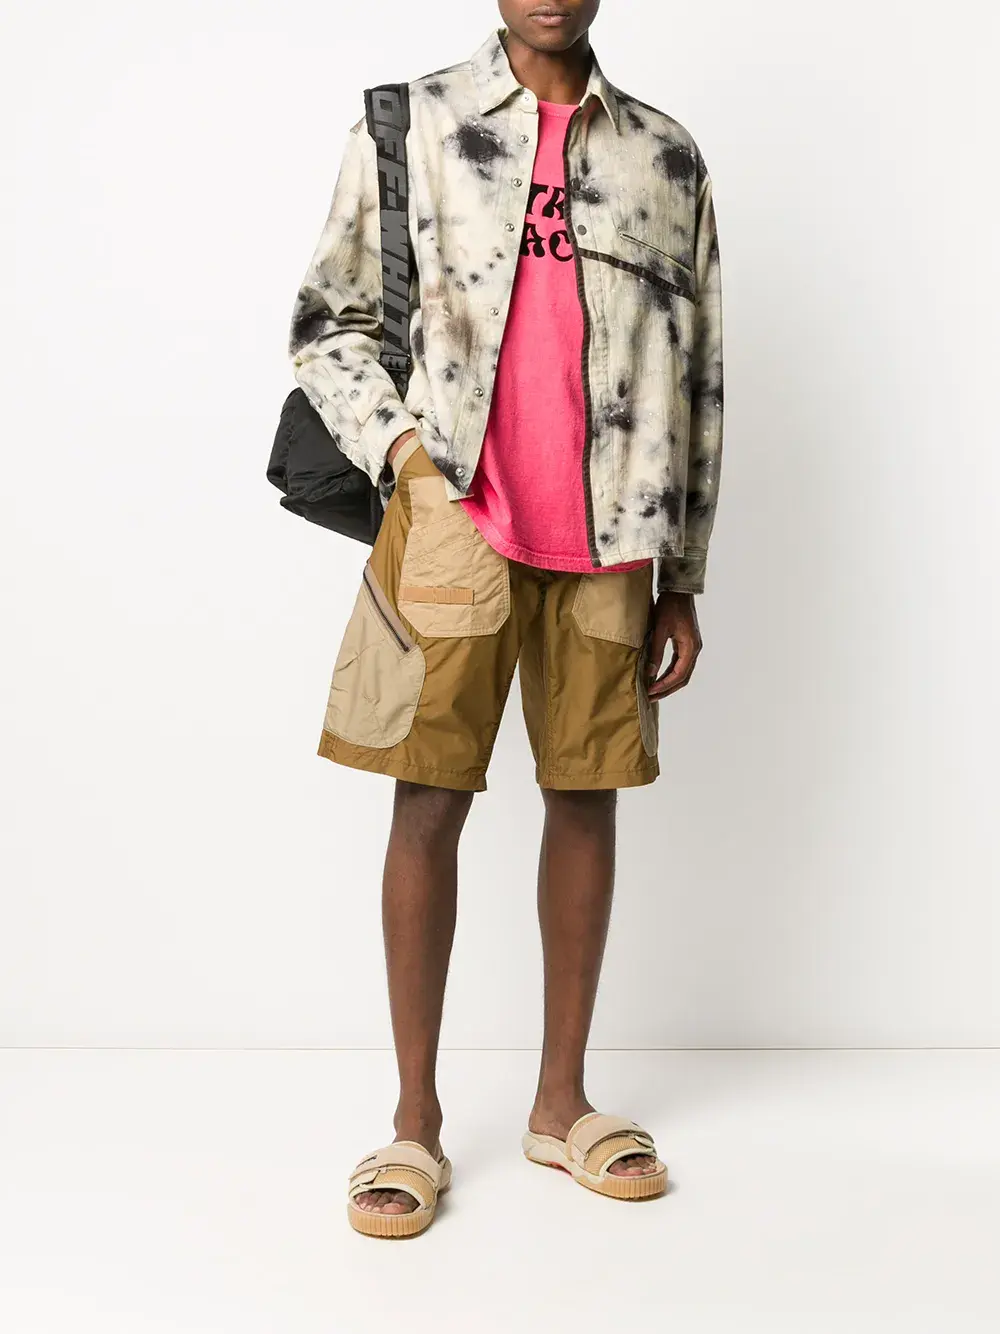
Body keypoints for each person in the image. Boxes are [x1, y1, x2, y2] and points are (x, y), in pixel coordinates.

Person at [287, 0, 723, 1238]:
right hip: (455, 516)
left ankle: (559, 1102)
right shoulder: (412, 124)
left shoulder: (663, 153)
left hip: (611, 526)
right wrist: (408, 462)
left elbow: (700, 377)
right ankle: (414, 1120)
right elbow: (327, 327)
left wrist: (683, 570)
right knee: (427, 799)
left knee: (586, 794)